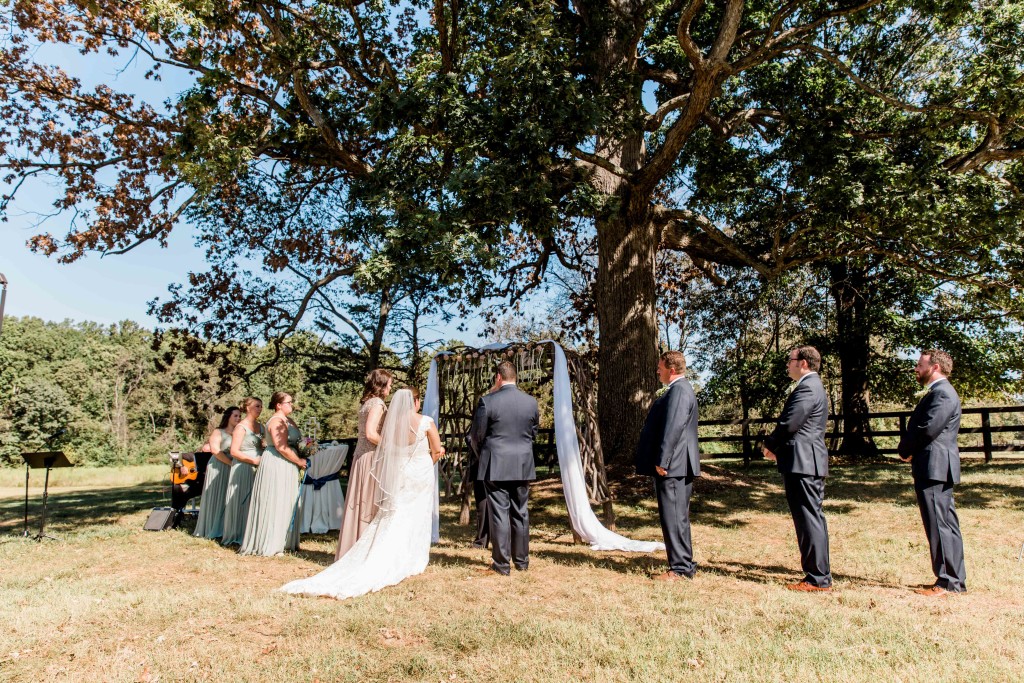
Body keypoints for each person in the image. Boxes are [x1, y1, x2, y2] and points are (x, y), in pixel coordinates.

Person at [281, 387, 446, 599]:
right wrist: (432, 458)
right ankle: (413, 558)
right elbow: (436, 449)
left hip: (401, 472)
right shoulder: (426, 422)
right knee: (417, 514)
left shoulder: (393, 424)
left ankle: (388, 553)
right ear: (415, 402)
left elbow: (390, 448)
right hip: (420, 474)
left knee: (395, 514)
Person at [762, 346, 833, 592]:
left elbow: (790, 422)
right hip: (803, 460)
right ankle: (816, 573)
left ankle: (817, 578)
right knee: (808, 517)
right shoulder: (811, 386)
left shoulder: (808, 387)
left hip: (804, 461)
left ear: (803, 363)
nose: (787, 365)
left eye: (790, 360)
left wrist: (770, 445)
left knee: (809, 518)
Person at [898, 349, 967, 596]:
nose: (916, 368)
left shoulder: (943, 394)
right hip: (934, 465)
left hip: (934, 465)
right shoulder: (940, 392)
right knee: (943, 522)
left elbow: (927, 429)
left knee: (939, 524)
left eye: (920, 364)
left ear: (935, 367)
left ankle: (948, 581)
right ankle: (953, 579)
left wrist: (905, 449)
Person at [635, 350, 701, 581]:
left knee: (673, 516)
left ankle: (680, 569)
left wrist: (663, 460)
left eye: (660, 367)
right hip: (679, 464)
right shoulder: (680, 389)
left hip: (673, 465)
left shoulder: (680, 391)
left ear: (671, 370)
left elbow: (673, 427)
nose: (657, 370)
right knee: (677, 516)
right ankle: (684, 563)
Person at [470, 361, 539, 576]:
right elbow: (533, 433)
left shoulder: (487, 401)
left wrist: (484, 454)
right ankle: (522, 561)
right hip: (522, 463)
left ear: (499, 377)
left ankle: (501, 564)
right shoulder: (531, 402)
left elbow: (476, 435)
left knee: (499, 512)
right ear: (514, 377)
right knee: (521, 511)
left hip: (495, 463)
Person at [239, 392, 309, 557]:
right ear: (278, 404)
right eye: (289, 402)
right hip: (277, 463)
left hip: (288, 464)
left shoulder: (289, 421)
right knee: (276, 499)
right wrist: (299, 461)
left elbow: (298, 441)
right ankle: (271, 542)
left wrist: (310, 446)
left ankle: (286, 540)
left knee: (288, 499)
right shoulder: (276, 421)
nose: (292, 405)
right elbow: (282, 447)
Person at [335, 368, 394, 560]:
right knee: (369, 502)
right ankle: (364, 550)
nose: (390, 388)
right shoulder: (377, 403)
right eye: (390, 384)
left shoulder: (366, 403)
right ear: (382, 385)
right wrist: (390, 445)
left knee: (361, 500)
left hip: (362, 456)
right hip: (370, 456)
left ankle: (355, 545)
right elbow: (370, 433)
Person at [221, 396, 265, 546]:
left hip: (259, 467)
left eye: (261, 406)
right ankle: (236, 533)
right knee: (240, 499)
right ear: (248, 407)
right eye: (257, 406)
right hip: (243, 467)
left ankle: (253, 533)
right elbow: (234, 451)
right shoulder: (241, 427)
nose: (260, 409)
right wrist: (253, 461)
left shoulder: (261, 427)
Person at [194, 407, 240, 539]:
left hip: (234, 467)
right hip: (219, 465)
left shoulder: (239, 432)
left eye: (239, 416)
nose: (238, 418)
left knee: (228, 497)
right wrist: (230, 463)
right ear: (228, 417)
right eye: (235, 416)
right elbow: (215, 450)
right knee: (217, 495)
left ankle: (227, 527)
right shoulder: (218, 432)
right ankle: (211, 527)